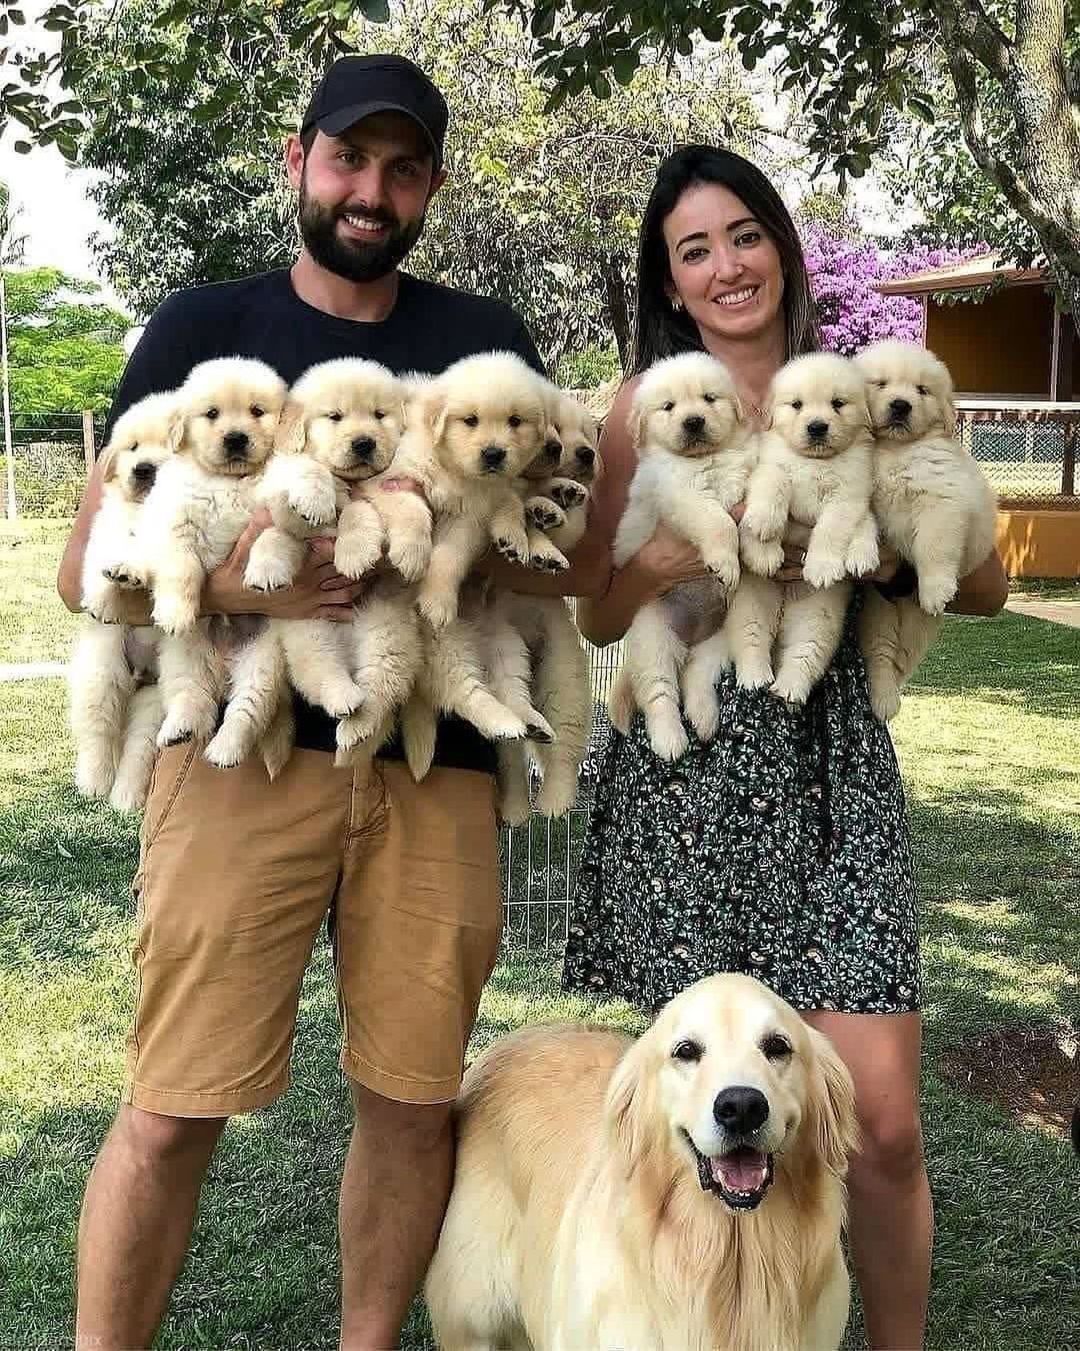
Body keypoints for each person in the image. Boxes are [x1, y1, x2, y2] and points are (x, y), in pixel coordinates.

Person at [57, 55, 608, 1350]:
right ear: (297, 161)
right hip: (239, 761)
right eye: (349, 159)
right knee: (172, 1103)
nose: (371, 191)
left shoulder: (485, 340)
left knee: (413, 1103)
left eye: (402, 169)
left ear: (431, 188)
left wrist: (465, 537)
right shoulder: (201, 329)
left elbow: (567, 551)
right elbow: (88, 571)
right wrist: (249, 583)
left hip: (433, 766)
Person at [562, 144, 1008, 1351]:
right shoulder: (645, 401)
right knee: (710, 1119)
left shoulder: (861, 391)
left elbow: (984, 584)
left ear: (782, 245)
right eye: (693, 249)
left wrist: (882, 545)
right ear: (669, 278)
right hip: (689, 781)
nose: (725, 266)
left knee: (883, 1120)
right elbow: (596, 609)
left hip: (831, 771)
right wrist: (665, 558)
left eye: (744, 235)